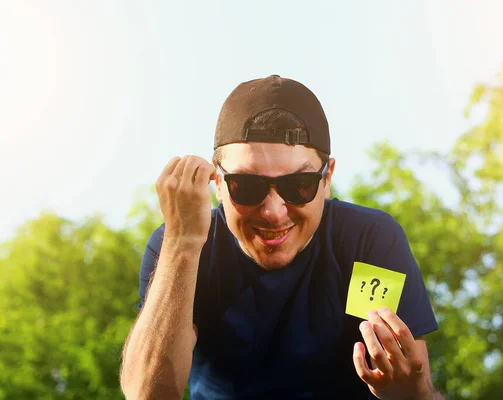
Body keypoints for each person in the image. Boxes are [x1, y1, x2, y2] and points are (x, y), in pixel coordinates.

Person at [120, 75, 443, 399]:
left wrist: (409, 394)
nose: (274, 212)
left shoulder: (364, 243)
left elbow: (406, 382)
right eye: (246, 187)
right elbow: (148, 394)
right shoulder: (185, 246)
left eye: (298, 185)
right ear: (217, 182)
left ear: (327, 177)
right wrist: (182, 244)